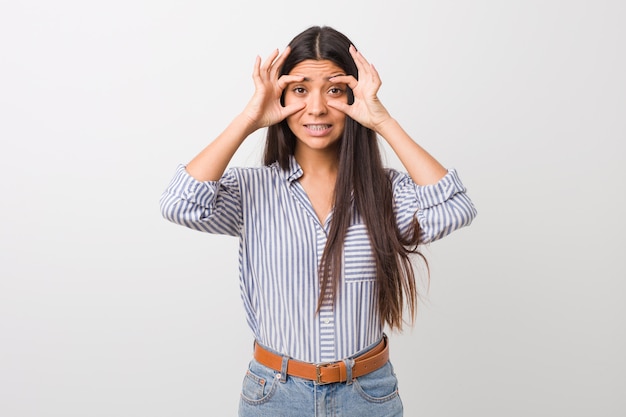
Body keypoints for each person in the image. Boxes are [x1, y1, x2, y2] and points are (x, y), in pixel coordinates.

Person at [160, 25, 476, 416]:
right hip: (274, 396)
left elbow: (455, 207)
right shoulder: (252, 190)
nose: (316, 108)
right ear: (281, 96)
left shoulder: (385, 192)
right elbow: (180, 203)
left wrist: (382, 120)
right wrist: (249, 117)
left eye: (334, 89)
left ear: (353, 96)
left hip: (367, 396)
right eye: (300, 89)